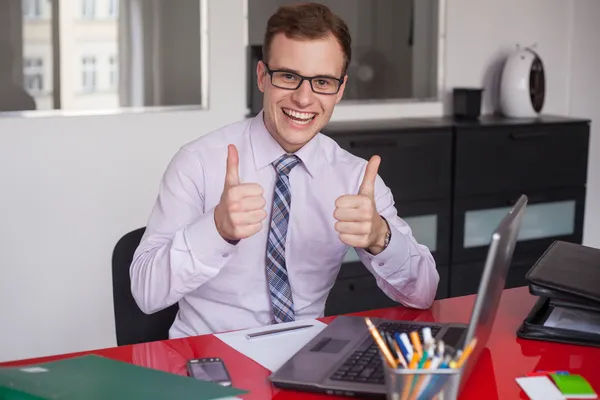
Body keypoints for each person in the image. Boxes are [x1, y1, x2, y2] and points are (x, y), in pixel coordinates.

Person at [130, 2, 439, 339]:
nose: (304, 99)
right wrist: (215, 230)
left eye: (322, 81)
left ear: (340, 89)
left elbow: (423, 294)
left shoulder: (355, 178)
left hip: (306, 356)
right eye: (289, 76)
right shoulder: (198, 162)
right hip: (212, 358)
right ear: (263, 76)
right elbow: (146, 293)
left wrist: (381, 237)